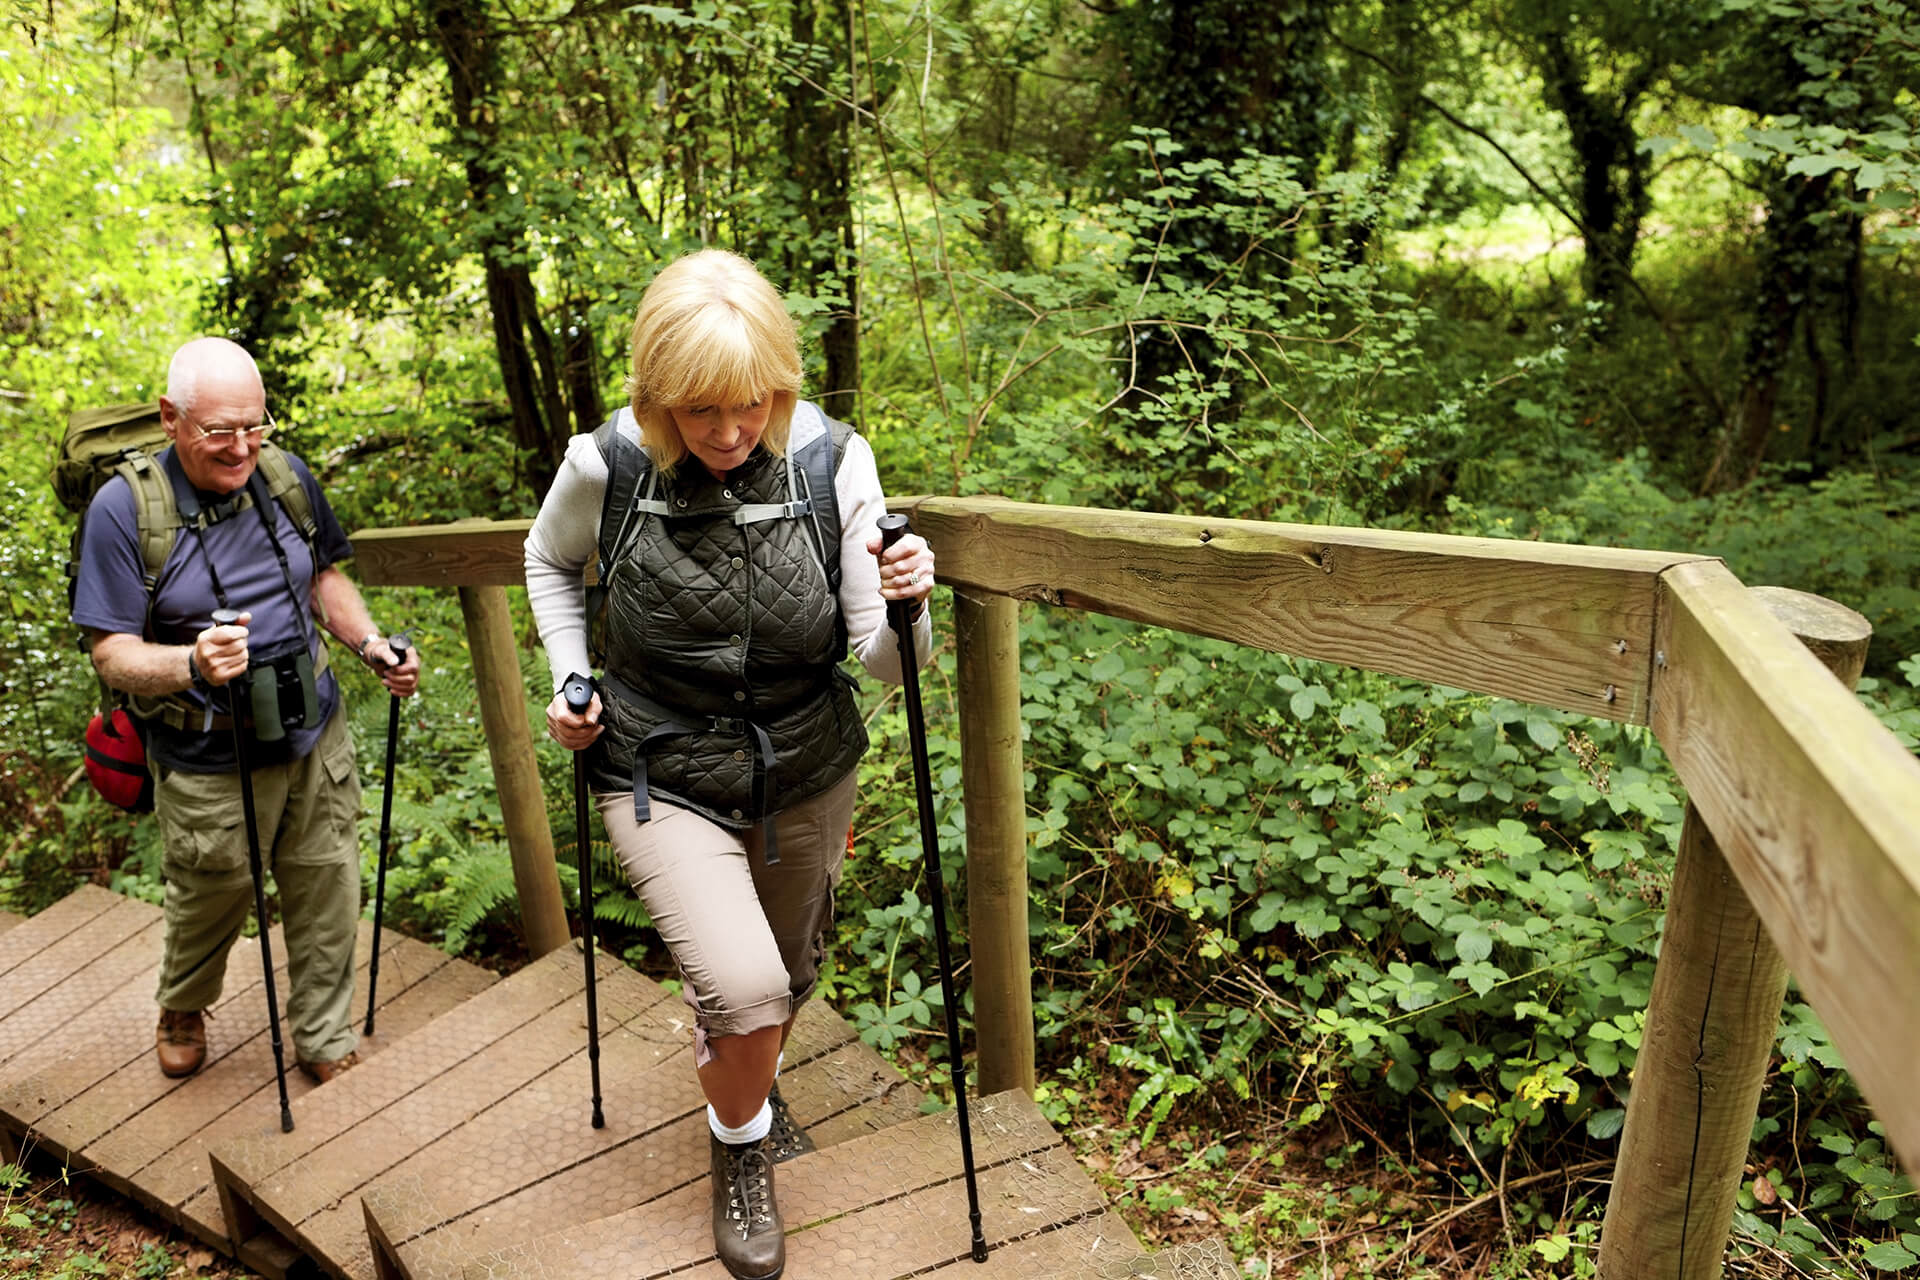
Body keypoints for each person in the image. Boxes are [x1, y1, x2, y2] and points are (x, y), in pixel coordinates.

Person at [524, 249, 935, 1280]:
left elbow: (887, 664)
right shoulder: (605, 465)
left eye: (749, 404)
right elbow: (547, 561)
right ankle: (739, 1146)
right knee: (748, 988)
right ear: (657, 398)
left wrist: (908, 604)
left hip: (806, 760)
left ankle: (744, 1077)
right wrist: (575, 678)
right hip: (657, 765)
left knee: (788, 974)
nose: (728, 431)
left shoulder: (833, 462)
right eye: (700, 410)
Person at [71, 337, 420, 1084]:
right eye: (219, 431)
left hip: (311, 730)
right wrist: (190, 662)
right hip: (207, 753)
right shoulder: (123, 510)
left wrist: (370, 645)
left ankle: (324, 1037)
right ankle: (183, 1004)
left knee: (327, 882)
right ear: (171, 419)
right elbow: (111, 652)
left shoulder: (283, 476)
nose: (241, 448)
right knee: (211, 895)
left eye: (255, 426)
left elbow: (322, 575)